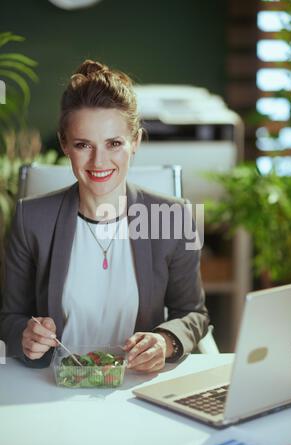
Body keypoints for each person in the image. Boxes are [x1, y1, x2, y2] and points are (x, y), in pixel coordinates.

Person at [0, 59, 209, 372]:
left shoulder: (172, 217)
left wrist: (166, 340)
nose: (99, 161)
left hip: (137, 387)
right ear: (64, 145)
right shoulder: (31, 220)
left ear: (135, 142)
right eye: (84, 144)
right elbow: (8, 318)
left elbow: (193, 313)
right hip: (55, 384)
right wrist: (25, 336)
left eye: (114, 143)